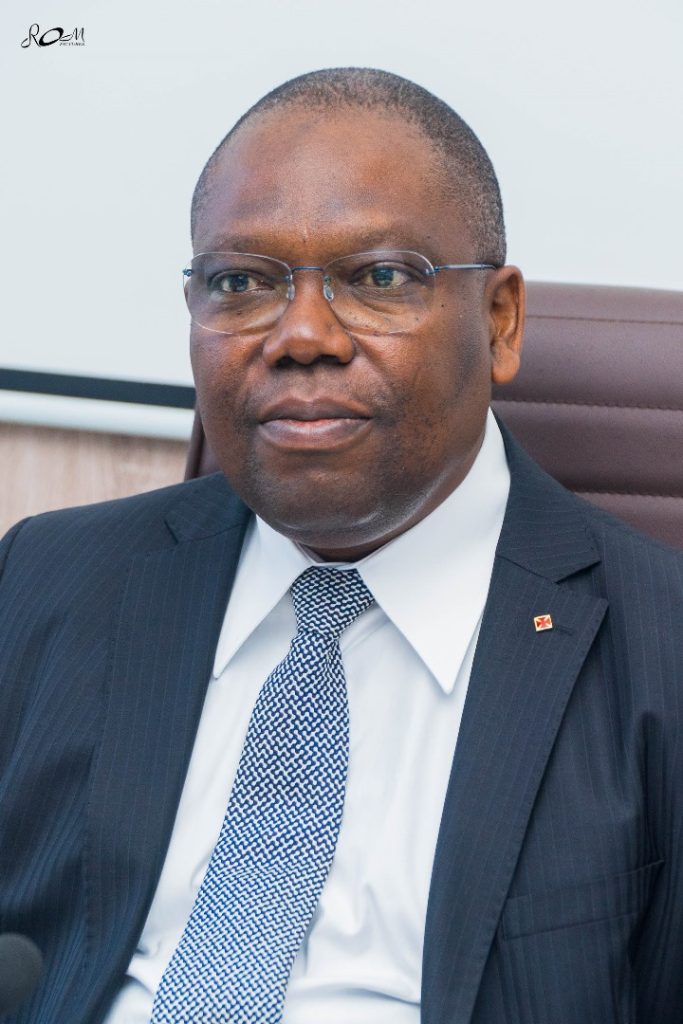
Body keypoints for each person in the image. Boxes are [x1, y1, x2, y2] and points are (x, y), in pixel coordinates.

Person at [0, 67, 681, 1024]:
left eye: (379, 278)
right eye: (241, 282)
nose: (302, 335)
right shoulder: (47, 580)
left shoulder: (661, 652)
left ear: (499, 321)